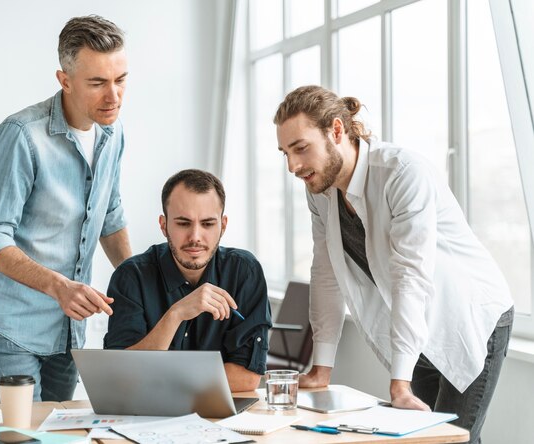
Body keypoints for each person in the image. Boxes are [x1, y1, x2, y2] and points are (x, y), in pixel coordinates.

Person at [274, 85, 513, 443]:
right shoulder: (321, 195)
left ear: (336, 131)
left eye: (301, 148)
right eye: (285, 153)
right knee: (419, 437)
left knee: (452, 439)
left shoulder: (402, 173)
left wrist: (399, 384)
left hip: (469, 318)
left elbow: (410, 278)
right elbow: (326, 276)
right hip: (417, 328)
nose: (292, 166)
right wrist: (321, 368)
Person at [0, 15, 132, 403]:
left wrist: (141, 284)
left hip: (70, 328)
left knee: (62, 434)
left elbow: (109, 217)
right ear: (65, 80)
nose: (114, 96)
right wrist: (60, 286)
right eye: (97, 83)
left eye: (121, 79)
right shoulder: (22, 135)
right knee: (25, 435)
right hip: (12, 326)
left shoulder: (113, 134)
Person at [104, 169, 272, 392]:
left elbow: (247, 377)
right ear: (163, 225)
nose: (195, 236)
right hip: (145, 416)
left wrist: (157, 377)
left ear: (223, 225)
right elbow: (120, 375)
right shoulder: (130, 276)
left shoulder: (244, 272)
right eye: (183, 223)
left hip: (222, 418)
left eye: (208, 224)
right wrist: (176, 315)